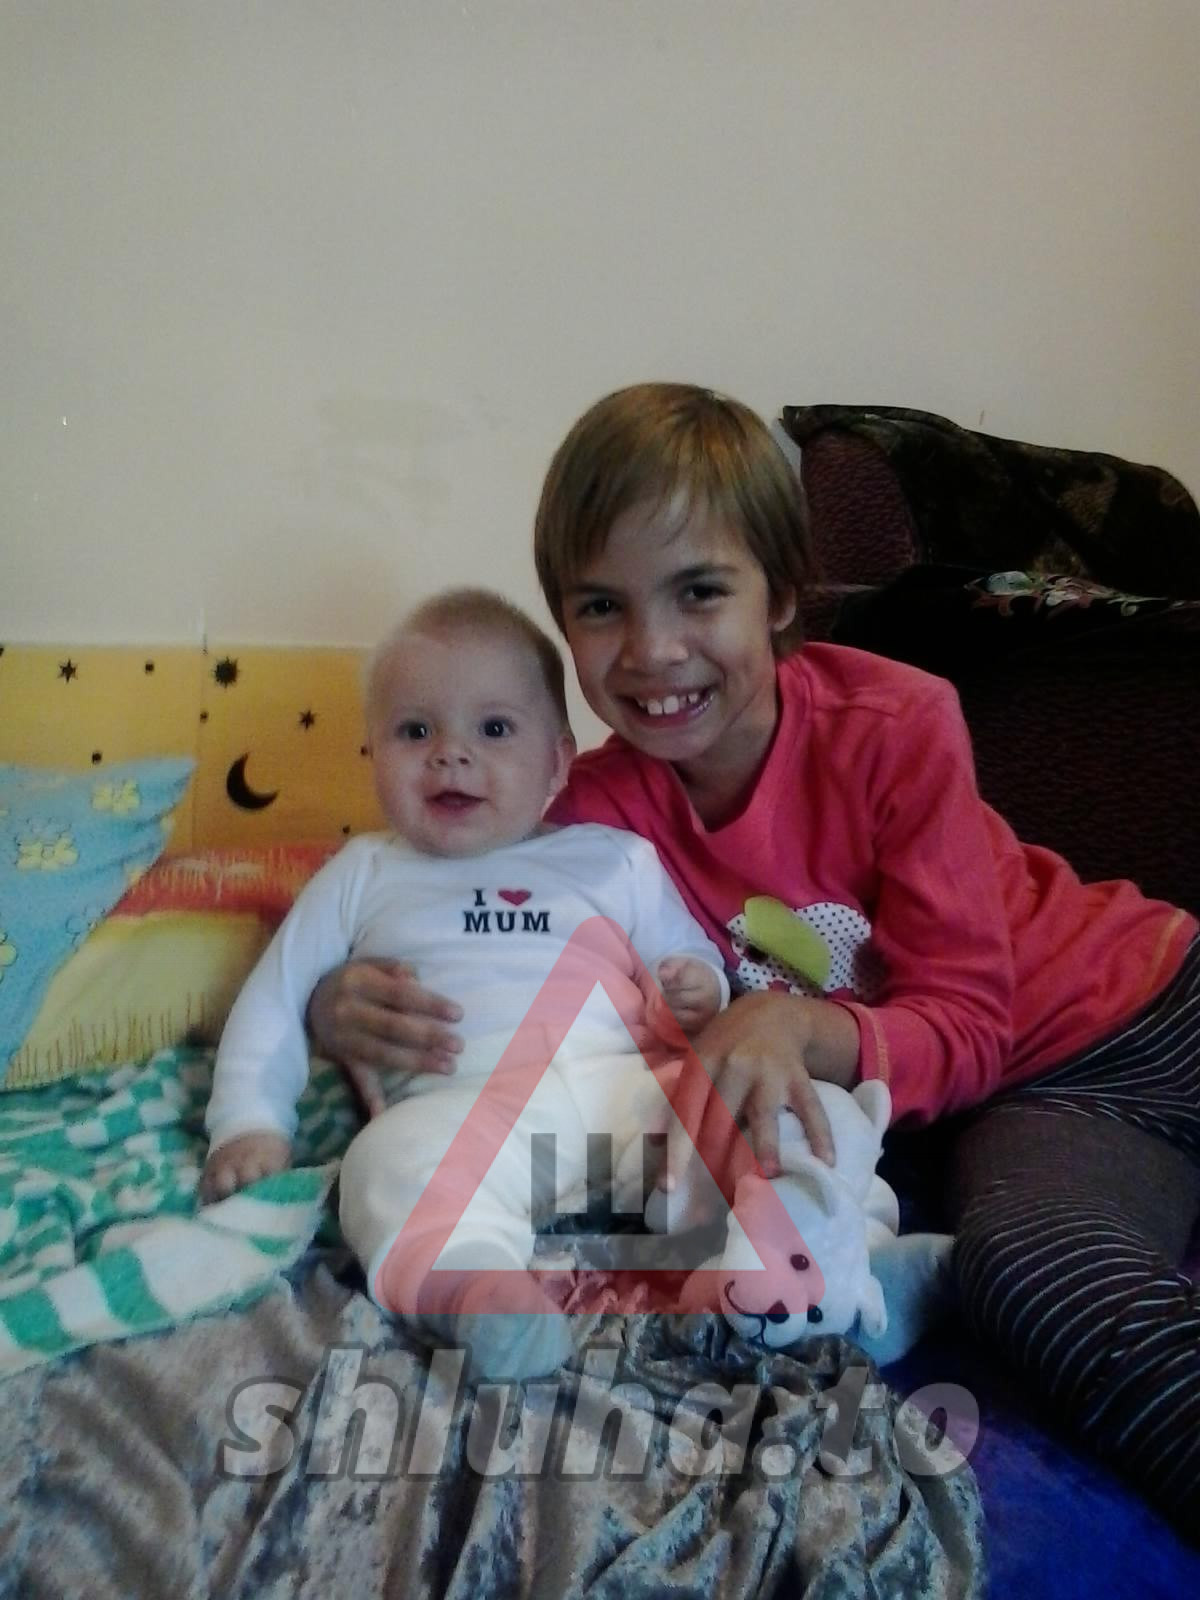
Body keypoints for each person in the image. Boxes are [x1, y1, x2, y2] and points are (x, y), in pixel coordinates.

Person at [309, 383, 1200, 1533]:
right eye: (601, 605)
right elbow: (446, 901)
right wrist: (337, 997)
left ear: (781, 595)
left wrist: (796, 1024)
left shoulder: (896, 724)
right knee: (812, 1225)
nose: (653, 649)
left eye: (700, 591)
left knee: (1030, 1268)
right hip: (946, 1105)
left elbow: (972, 1026)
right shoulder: (591, 815)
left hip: (1111, 1021)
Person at [202, 585, 727, 1382]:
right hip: (463, 1118)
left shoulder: (614, 860)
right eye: (415, 731)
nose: (451, 754)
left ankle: (832, 1252)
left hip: (622, 1094)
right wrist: (247, 1121)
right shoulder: (363, 873)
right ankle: (481, 1292)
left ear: (558, 760)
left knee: (745, 1110)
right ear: (372, 754)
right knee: (383, 1165)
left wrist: (700, 988)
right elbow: (275, 994)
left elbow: (689, 957)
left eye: (494, 729)